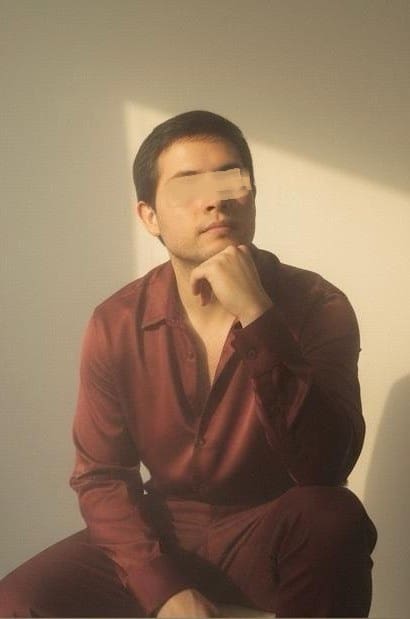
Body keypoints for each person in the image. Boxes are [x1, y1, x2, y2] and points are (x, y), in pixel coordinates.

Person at [0, 110, 377, 618]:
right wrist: (163, 588)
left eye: (230, 180)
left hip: (270, 530)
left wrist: (257, 313)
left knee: (333, 518)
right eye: (187, 187)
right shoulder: (116, 322)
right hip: (165, 529)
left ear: (252, 196)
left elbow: (326, 467)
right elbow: (102, 476)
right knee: (18, 601)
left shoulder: (317, 304)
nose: (215, 200)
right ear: (149, 216)